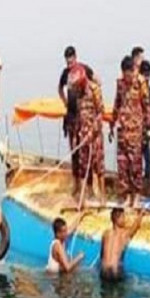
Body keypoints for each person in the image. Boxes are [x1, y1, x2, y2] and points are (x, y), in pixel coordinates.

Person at [110, 56, 150, 207]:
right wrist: (112, 122)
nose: (127, 77)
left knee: (135, 164)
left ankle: (137, 195)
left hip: (135, 130)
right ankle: (126, 195)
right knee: (122, 164)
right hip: (122, 128)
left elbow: (147, 106)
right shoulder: (120, 84)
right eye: (125, 73)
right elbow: (117, 103)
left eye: (129, 73)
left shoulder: (140, 82)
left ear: (133, 71)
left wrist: (147, 128)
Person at [58, 46, 95, 196]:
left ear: (75, 57)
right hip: (72, 116)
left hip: (84, 116)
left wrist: (91, 100)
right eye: (67, 60)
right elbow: (60, 88)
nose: (69, 62)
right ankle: (77, 185)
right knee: (74, 152)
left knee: (86, 152)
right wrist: (65, 102)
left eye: (71, 59)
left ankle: (90, 187)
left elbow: (96, 81)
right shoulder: (65, 73)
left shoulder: (83, 69)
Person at [71, 64, 106, 203]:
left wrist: (93, 131)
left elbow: (100, 113)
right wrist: (75, 136)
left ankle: (102, 196)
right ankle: (88, 193)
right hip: (83, 135)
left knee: (99, 166)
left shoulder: (94, 89)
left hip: (95, 135)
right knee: (84, 166)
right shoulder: (78, 93)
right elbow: (79, 116)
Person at [100, 207, 144, 283]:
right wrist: (141, 214)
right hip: (115, 273)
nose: (125, 220)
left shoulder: (105, 234)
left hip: (103, 273)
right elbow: (136, 226)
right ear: (117, 219)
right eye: (123, 217)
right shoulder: (124, 234)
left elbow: (101, 254)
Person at [140, 60, 150, 179]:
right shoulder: (137, 88)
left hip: (146, 126)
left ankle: (147, 176)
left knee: (148, 156)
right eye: (145, 75)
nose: (147, 77)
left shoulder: (149, 89)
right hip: (137, 126)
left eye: (148, 75)